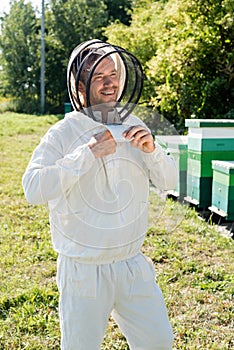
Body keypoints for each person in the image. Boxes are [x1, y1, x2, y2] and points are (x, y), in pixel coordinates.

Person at [22, 39, 178, 350]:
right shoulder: (64, 132)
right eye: (98, 77)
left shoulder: (135, 125)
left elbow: (170, 181)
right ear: (80, 85)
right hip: (84, 269)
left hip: (132, 264)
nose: (109, 84)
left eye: (113, 75)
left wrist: (153, 151)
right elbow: (32, 188)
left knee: (159, 342)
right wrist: (86, 154)